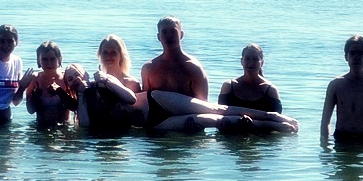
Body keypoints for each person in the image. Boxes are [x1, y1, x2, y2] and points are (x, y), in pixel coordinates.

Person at [65, 62, 299, 135]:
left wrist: (107, 80)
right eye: (69, 79)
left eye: (76, 74)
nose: (74, 79)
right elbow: (86, 126)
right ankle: (271, 127)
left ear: (84, 73)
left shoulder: (102, 82)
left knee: (216, 109)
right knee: (210, 120)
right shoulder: (82, 103)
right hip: (153, 123)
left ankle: (273, 116)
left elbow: (129, 98)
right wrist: (82, 94)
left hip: (155, 101)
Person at [320, 34, 363, 145]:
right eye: (352, 53)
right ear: (346, 57)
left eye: (361, 53)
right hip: (341, 138)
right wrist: (325, 147)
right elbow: (325, 122)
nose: (356, 57)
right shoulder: (336, 85)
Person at [141, 16, 209, 100]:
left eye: (173, 31)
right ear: (158, 37)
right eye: (164, 32)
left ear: (181, 35)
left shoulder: (193, 68)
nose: (169, 36)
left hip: (186, 109)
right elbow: (145, 101)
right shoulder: (149, 68)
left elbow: (203, 103)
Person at [218, 43, 283, 113]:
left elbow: (276, 117)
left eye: (255, 59)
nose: (251, 63)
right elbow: (220, 113)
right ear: (241, 61)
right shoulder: (229, 86)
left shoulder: (270, 90)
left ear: (262, 62)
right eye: (247, 59)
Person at [25, 41, 76, 125]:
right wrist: (36, 94)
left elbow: (74, 107)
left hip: (64, 126)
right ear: (39, 60)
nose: (49, 63)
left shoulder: (66, 78)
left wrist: (60, 92)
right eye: (44, 59)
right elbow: (30, 110)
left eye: (53, 59)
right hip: (41, 126)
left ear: (59, 59)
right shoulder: (35, 79)